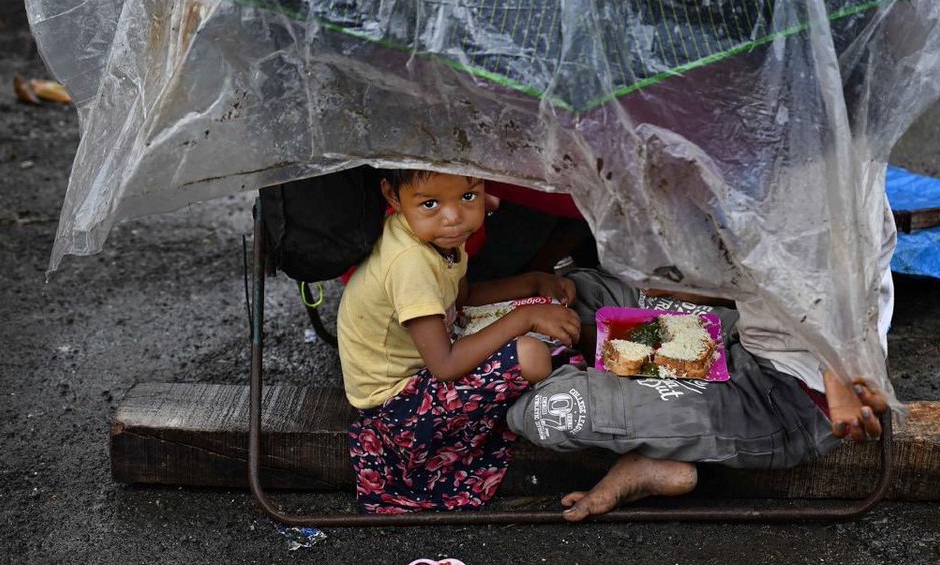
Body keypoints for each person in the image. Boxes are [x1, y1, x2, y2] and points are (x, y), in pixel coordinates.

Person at [506, 203, 898, 521]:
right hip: (739, 341)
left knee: (544, 412)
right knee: (583, 296)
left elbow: (839, 294)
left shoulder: (826, 189)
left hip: (780, 397)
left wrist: (838, 375)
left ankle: (647, 420)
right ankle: (652, 425)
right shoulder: (762, 165)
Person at [337, 168, 581, 514]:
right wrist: (524, 317)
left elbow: (460, 299)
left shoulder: (436, 235)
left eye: (469, 196)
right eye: (431, 203)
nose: (453, 216)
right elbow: (445, 364)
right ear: (393, 196)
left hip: (425, 374)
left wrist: (533, 283)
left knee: (542, 314)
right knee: (532, 356)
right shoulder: (410, 263)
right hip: (394, 412)